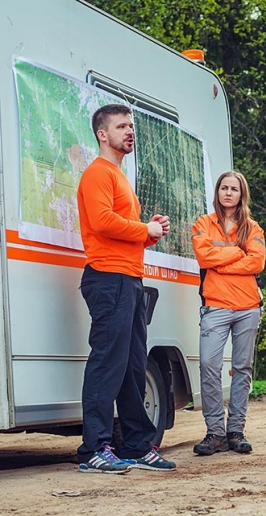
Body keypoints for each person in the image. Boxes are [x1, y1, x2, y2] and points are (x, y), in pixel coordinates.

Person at [76, 103, 176, 473]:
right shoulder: (98, 174)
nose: (130, 131)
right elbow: (102, 222)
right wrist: (143, 229)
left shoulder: (118, 176)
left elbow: (121, 231)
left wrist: (148, 233)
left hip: (129, 278)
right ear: (103, 134)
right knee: (107, 364)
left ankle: (136, 445)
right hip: (108, 278)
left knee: (134, 366)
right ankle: (93, 450)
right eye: (122, 126)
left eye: (131, 126)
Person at [191, 171, 266, 456]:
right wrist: (238, 253)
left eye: (234, 189)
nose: (228, 193)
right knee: (209, 365)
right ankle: (215, 432)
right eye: (224, 187)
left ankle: (236, 431)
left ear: (241, 194)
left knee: (242, 369)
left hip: (248, 307)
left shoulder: (253, 228)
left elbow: (257, 262)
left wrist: (222, 263)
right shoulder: (203, 224)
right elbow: (204, 257)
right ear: (218, 192)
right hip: (216, 305)